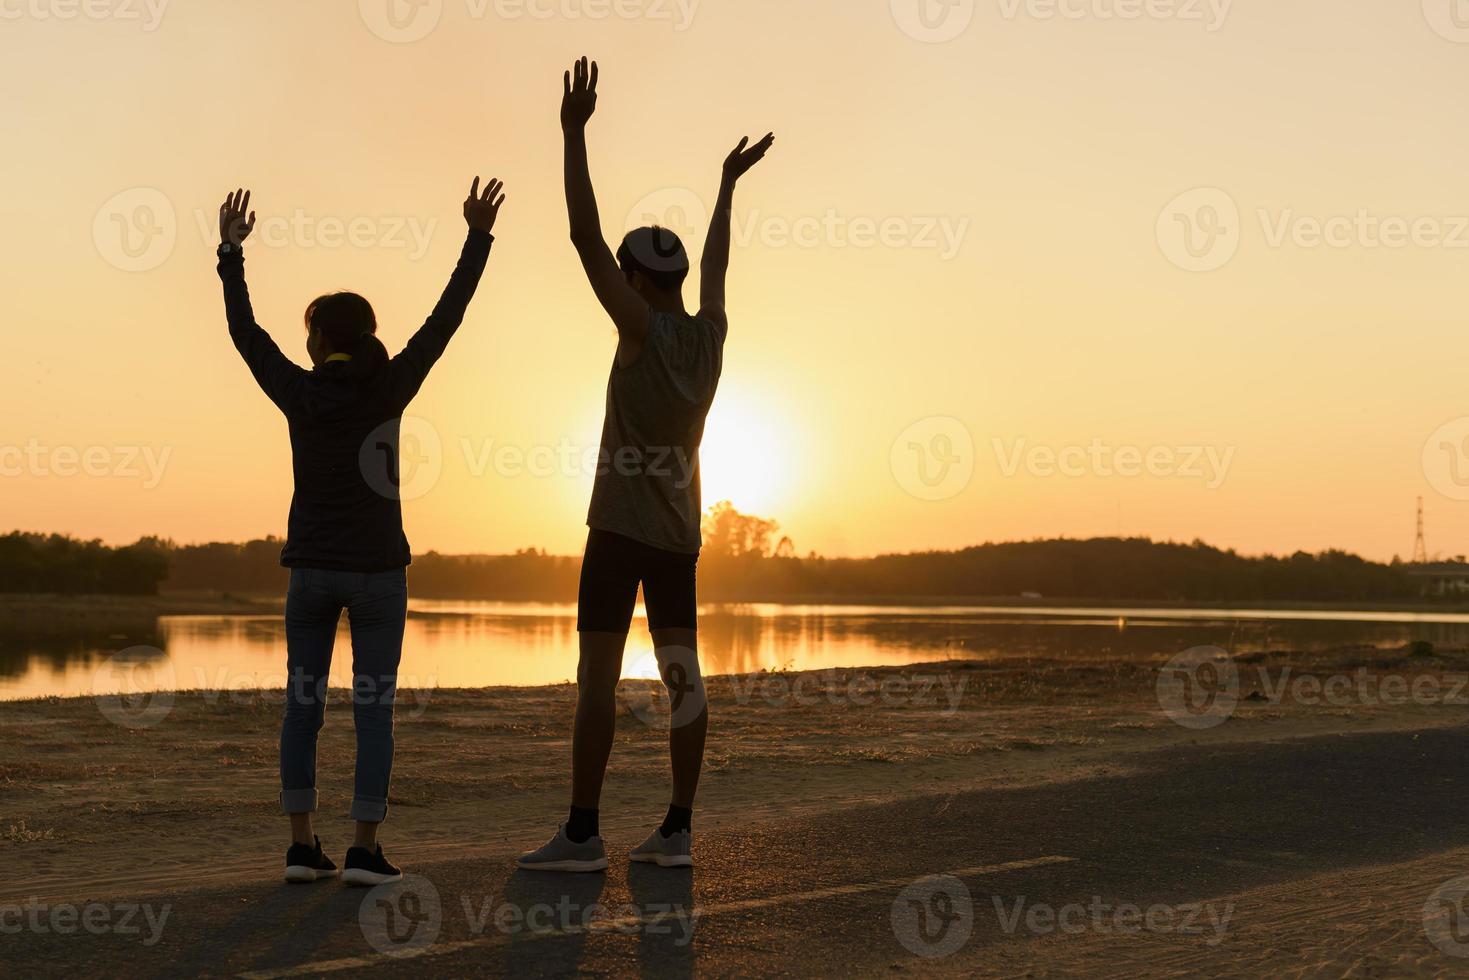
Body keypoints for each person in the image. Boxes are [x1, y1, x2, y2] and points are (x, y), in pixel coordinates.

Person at [518, 57, 774, 873]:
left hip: (618, 531)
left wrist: (572, 133)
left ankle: (583, 834)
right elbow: (722, 265)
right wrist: (727, 187)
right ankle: (677, 831)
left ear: (634, 279)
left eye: (624, 274)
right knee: (682, 678)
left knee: (597, 676)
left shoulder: (639, 328)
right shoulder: (711, 335)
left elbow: (580, 237)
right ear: (680, 279)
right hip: (678, 537)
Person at [216, 179, 507, 885]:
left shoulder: (301, 391)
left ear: (319, 339)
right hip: (378, 573)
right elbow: (446, 320)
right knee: (374, 713)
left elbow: (245, 336)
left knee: (302, 707)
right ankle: (363, 851)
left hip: (311, 571)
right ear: (369, 336)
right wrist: (476, 237)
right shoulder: (388, 386)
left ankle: (299, 845)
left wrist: (230, 253)